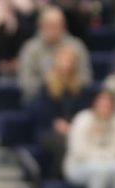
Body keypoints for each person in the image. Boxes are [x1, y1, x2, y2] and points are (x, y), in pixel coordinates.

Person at [31, 45, 92, 179]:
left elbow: (83, 113)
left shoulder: (80, 88)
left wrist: (73, 126)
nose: (66, 65)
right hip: (48, 130)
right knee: (65, 144)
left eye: (70, 61)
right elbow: (42, 113)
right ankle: (55, 179)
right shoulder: (46, 87)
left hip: (75, 129)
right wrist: (57, 123)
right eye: (63, 61)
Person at [17, 6, 92, 103]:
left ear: (64, 26)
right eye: (49, 25)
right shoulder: (30, 49)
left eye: (57, 25)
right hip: (39, 102)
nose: (53, 30)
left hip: (72, 100)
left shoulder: (76, 46)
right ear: (41, 26)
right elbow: (26, 82)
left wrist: (66, 85)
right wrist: (51, 85)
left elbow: (86, 78)